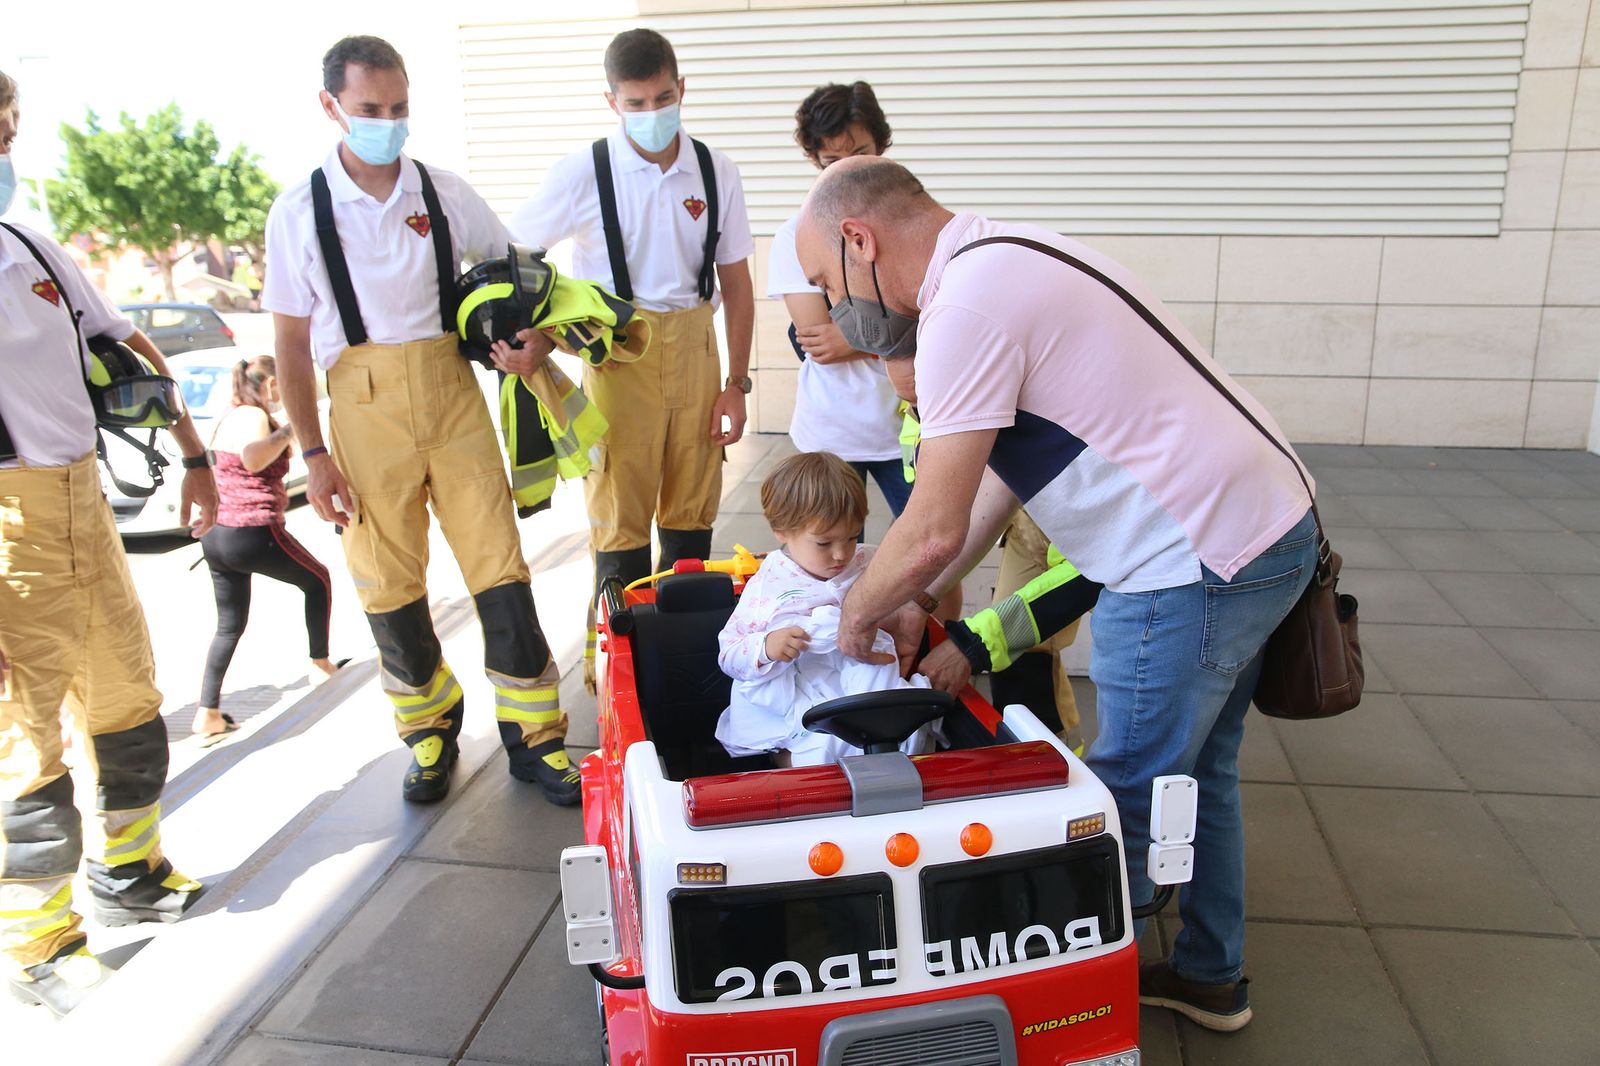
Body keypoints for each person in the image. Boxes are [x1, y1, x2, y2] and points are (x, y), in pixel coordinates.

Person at [797, 157, 1318, 1033]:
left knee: (1118, 798)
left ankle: (1052, 1009)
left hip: (1188, 562)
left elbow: (928, 526)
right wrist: (915, 595)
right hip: (1267, 528)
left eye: (824, 282)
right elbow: (980, 501)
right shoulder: (1006, 252)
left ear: (860, 239)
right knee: (1201, 774)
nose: (829, 304)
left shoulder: (962, 307)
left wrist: (855, 608)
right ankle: (1209, 973)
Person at [262, 36, 578, 806]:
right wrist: (314, 456)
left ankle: (536, 737)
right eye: (370, 110)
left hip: (451, 390)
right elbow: (291, 346)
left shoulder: (441, 193)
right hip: (361, 407)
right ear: (330, 106)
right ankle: (429, 728)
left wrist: (535, 335)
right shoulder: (299, 210)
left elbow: (521, 270)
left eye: (400, 109)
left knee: (499, 568)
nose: (388, 123)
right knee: (388, 583)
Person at [0, 68, 216, 1016]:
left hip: (84, 506)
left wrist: (197, 453)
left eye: (6, 131)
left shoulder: (29, 249)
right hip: (7, 526)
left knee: (128, 700)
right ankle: (39, 943)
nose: (4, 151)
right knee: (22, 745)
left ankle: (127, 875)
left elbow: (126, 347)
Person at [509, 28, 755, 693]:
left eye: (664, 97)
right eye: (637, 101)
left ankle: (690, 667)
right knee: (619, 521)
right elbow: (514, 259)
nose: (653, 112)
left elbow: (736, 282)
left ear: (683, 89)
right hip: (620, 358)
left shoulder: (714, 169)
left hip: (699, 350)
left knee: (692, 516)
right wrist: (541, 331)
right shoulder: (581, 172)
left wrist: (737, 384)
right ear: (612, 101)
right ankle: (619, 677)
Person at [715, 451, 933, 767]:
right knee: (813, 752)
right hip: (798, 694)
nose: (841, 554)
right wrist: (767, 647)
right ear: (781, 530)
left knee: (903, 732)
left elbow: (921, 576)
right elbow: (729, 655)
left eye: (852, 537)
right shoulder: (768, 585)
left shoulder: (869, 561)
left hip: (861, 683)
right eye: (824, 543)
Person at [768, 82, 908, 518]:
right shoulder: (797, 235)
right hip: (831, 430)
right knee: (830, 558)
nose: (849, 172)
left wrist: (853, 338)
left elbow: (937, 319)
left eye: (862, 153)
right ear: (815, 160)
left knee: (937, 563)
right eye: (832, 162)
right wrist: (902, 328)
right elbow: (820, 341)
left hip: (907, 426)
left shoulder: (910, 222)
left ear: (882, 145)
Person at [194, 356, 342, 743]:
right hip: (251, 529)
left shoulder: (227, 415)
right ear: (271, 384)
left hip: (217, 534)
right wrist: (292, 429)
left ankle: (206, 713)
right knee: (318, 580)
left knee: (229, 625)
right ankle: (321, 663)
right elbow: (251, 457)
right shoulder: (253, 416)